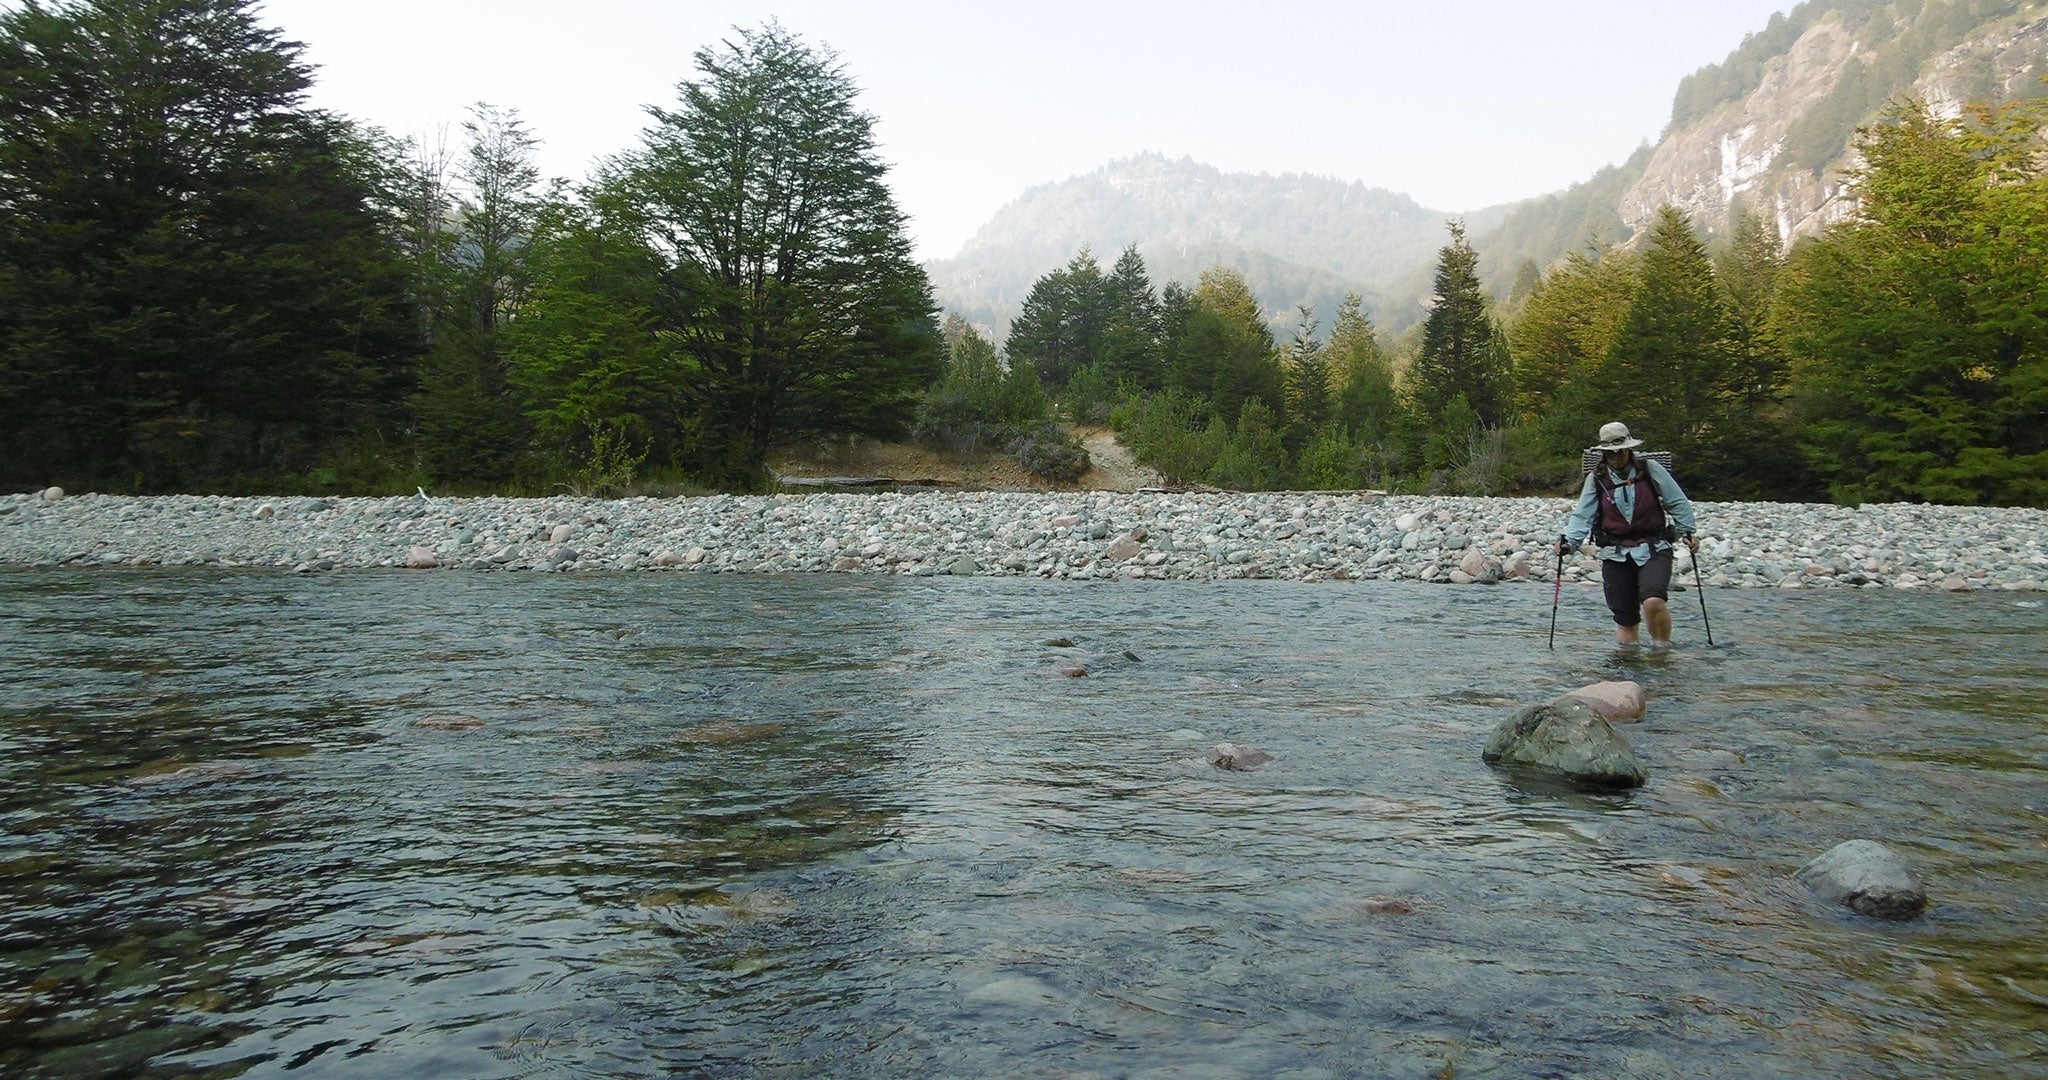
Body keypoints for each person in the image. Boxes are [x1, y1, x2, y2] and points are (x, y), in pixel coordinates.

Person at [1560, 421, 1699, 647]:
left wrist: (1688, 532)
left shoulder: (1650, 469)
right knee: (1625, 620)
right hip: (1614, 553)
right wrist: (1569, 543)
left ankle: (1662, 654)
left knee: (1653, 601)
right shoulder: (1596, 479)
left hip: (1654, 547)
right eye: (1610, 453)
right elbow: (1582, 515)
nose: (1615, 457)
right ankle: (1627, 670)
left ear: (1629, 449)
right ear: (1604, 454)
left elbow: (1677, 501)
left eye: (1620, 451)